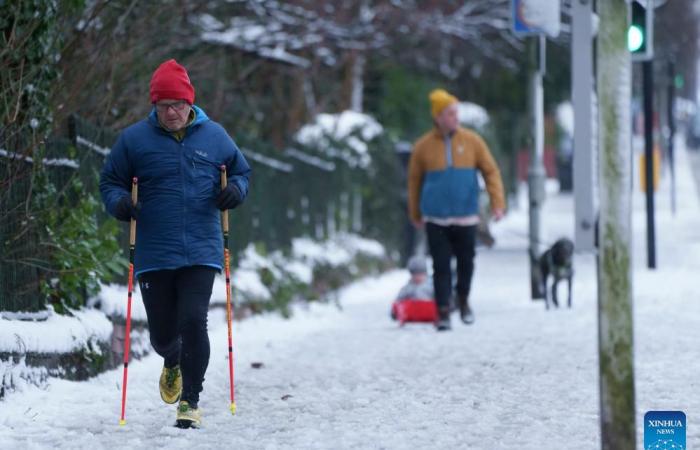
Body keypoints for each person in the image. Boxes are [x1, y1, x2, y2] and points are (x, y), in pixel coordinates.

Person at [100, 59, 251, 428]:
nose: (171, 112)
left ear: (190, 103)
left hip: (201, 247)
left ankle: (191, 401)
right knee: (163, 335)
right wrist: (119, 203)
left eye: (178, 105)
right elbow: (110, 182)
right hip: (155, 249)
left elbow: (242, 171)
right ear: (154, 106)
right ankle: (172, 361)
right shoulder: (133, 140)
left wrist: (235, 190)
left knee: (193, 321)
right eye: (164, 105)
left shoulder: (215, 136)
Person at [407, 88, 505, 331]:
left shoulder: (472, 141)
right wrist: (415, 212)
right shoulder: (423, 146)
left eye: (456, 113)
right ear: (438, 116)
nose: (455, 118)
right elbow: (414, 181)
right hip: (436, 218)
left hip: (466, 216)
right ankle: (442, 311)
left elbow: (491, 171)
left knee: (466, 263)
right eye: (450, 113)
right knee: (440, 265)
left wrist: (497, 203)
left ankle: (462, 299)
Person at [391, 256, 436, 324]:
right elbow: (398, 300)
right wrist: (395, 310)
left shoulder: (430, 287)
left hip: (429, 313)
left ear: (425, 274)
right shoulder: (407, 288)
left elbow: (438, 298)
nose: (417, 277)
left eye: (420, 274)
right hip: (411, 314)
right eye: (415, 274)